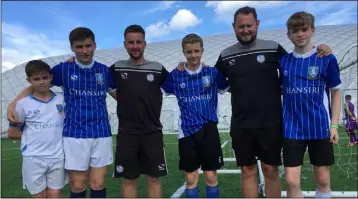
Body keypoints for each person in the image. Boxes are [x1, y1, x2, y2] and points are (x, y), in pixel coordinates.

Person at [179, 6, 332, 198]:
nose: (245, 30)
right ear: (234, 27)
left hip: (270, 123)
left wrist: (320, 48)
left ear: (257, 24)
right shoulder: (226, 55)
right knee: (247, 171)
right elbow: (208, 76)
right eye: (241, 26)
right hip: (242, 124)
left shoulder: (273, 48)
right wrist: (184, 66)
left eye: (249, 25)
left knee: (270, 170)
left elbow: (299, 60)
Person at [6, 27, 117, 198]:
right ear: (72, 47)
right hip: (74, 135)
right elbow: (37, 83)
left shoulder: (105, 71)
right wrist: (13, 104)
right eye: (79, 47)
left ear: (95, 45)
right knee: (78, 185)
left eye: (88, 45)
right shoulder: (63, 69)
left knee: (98, 183)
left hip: (101, 133)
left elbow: (120, 96)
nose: (85, 51)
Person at [280, 11, 341, 198]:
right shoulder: (283, 62)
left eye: (304, 29)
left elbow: (336, 91)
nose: (300, 34)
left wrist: (334, 125)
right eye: (294, 31)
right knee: (291, 181)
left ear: (312, 30)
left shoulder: (326, 58)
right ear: (288, 35)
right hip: (292, 128)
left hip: (319, 126)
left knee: (323, 179)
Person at [161, 33, 229, 198]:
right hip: (187, 132)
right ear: (183, 52)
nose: (193, 55)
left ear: (202, 51)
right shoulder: (176, 75)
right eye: (189, 52)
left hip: (209, 130)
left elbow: (229, 87)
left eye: (196, 51)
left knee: (211, 175)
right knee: (191, 177)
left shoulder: (212, 73)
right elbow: (157, 91)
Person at [111, 24, 168, 198]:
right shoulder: (116, 68)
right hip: (127, 133)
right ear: (125, 44)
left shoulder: (158, 69)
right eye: (131, 42)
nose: (135, 46)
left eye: (138, 42)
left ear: (145, 44)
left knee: (153, 179)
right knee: (129, 180)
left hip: (152, 133)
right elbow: (94, 77)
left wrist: (184, 65)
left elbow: (179, 82)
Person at [7, 60, 67, 198]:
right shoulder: (22, 104)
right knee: (38, 195)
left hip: (58, 156)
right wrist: (35, 135)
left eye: (45, 78)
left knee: (55, 194)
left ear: (51, 77)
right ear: (29, 81)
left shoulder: (62, 99)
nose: (41, 82)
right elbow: (12, 133)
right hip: (33, 157)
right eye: (36, 79)